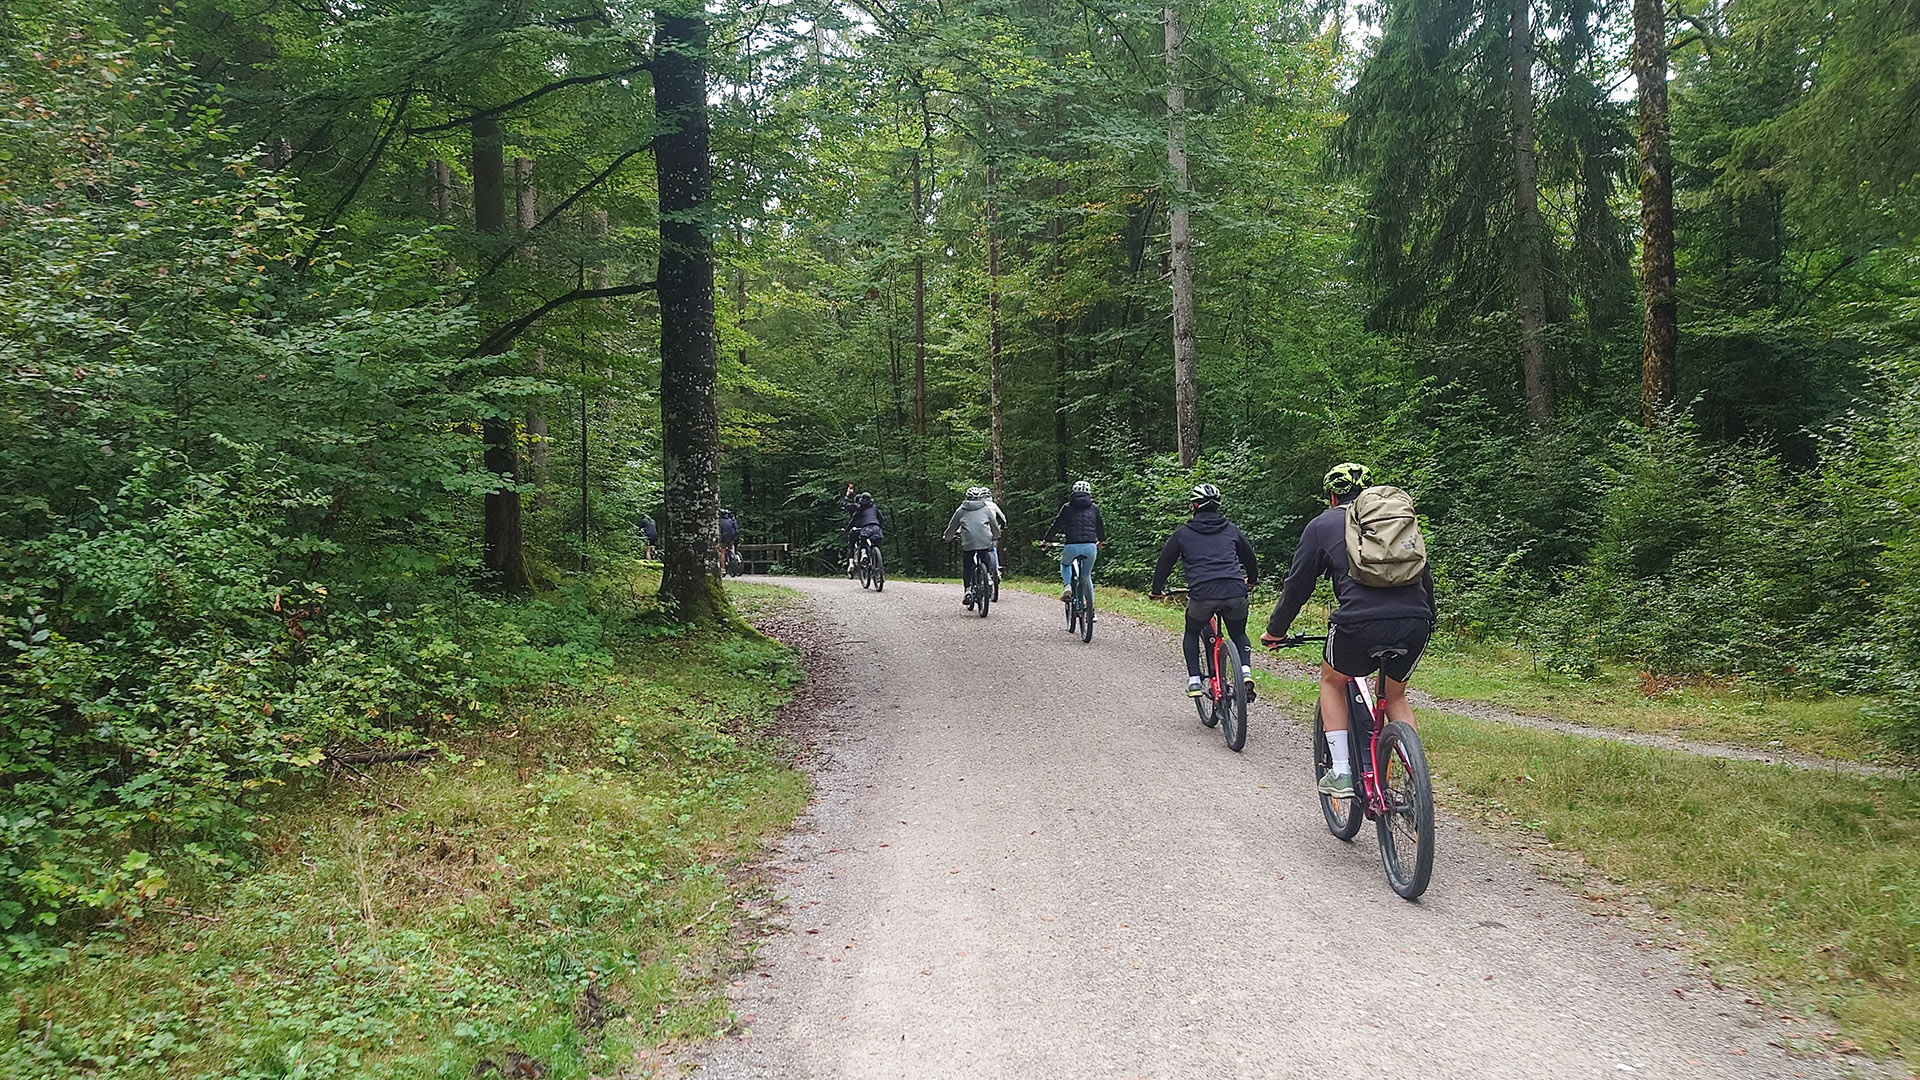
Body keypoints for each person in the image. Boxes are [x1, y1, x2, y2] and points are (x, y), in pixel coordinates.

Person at [1261, 462, 1437, 799]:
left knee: (1333, 681)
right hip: (1415, 621)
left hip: (1357, 623)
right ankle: (1416, 782)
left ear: (1332, 496)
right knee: (1394, 695)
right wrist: (1427, 618)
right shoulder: (1396, 523)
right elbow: (1422, 574)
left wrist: (1276, 630)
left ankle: (1341, 771)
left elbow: (1297, 587)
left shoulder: (1322, 525)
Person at [1149, 484, 1260, 699]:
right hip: (1235, 591)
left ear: (1194, 505)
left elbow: (1164, 563)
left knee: (1192, 632)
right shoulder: (1231, 529)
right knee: (1238, 633)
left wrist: (1156, 590)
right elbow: (1249, 557)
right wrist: (1252, 580)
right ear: (1217, 506)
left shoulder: (1183, 533)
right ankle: (1245, 672)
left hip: (1203, 595)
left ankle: (1194, 681)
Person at [1043, 480, 1106, 604]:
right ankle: (1090, 608)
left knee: (1066, 564)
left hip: (1071, 545)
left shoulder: (1067, 507)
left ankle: (1067, 586)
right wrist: (1102, 540)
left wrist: (1047, 540)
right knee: (1086, 575)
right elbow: (1100, 526)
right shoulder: (1094, 508)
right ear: (1089, 493)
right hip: (1090, 546)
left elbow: (1056, 525)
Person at [942, 486, 1005, 607]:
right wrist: (996, 536)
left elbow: (952, 527)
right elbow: (994, 525)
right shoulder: (986, 509)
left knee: (968, 564)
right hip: (985, 540)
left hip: (969, 542)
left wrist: (947, 538)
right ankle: (987, 576)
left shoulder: (961, 510)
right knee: (985, 556)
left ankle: (967, 590)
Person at [841, 484, 884, 573]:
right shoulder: (874, 507)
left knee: (856, 543)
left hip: (864, 529)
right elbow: (881, 518)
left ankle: (861, 556)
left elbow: (851, 517)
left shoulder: (858, 509)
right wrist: (881, 526)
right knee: (876, 543)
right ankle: (878, 565)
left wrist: (847, 495)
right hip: (877, 528)